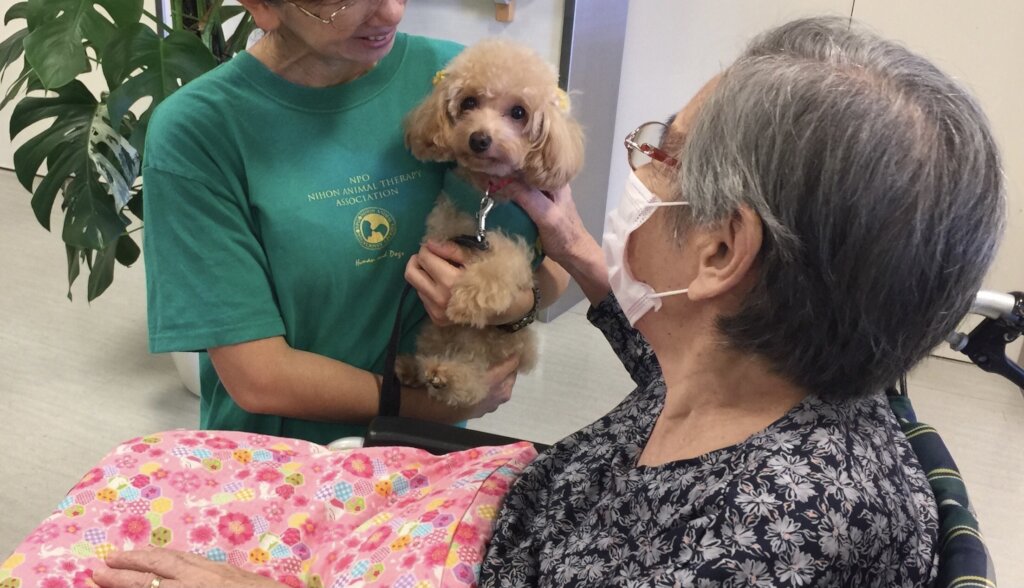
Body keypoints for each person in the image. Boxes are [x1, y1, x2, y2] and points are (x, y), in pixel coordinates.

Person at [93, 16, 1004, 588]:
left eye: (660, 152)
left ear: (723, 251)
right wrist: (569, 243)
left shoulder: (762, 535)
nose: (636, 170)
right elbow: (666, 350)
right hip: (480, 510)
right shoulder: (768, 367)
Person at [142, 0, 570, 446]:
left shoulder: (456, 79)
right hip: (279, 463)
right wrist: (426, 407)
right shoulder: (199, 131)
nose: (390, 14)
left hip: (426, 460)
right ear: (261, 6)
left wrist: (515, 306)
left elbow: (556, 265)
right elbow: (258, 377)